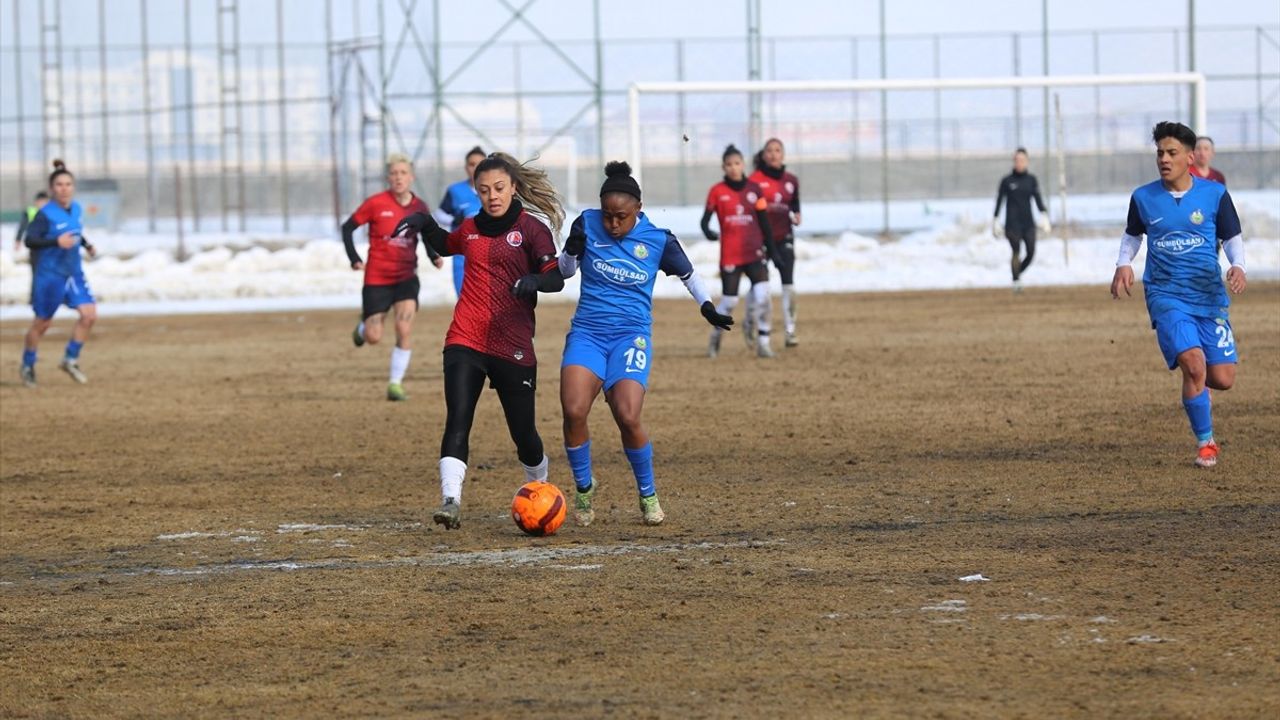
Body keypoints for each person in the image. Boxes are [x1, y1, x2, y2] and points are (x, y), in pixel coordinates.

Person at [392, 152, 566, 529]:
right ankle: (450, 500)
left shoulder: (532, 229)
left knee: (525, 436)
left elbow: (556, 277)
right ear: (477, 191)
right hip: (466, 337)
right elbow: (446, 240)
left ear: (513, 187)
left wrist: (536, 280)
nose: (493, 196)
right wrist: (423, 222)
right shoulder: (470, 227)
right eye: (484, 190)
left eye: (499, 188)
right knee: (457, 420)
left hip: (513, 343)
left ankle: (540, 487)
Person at [558, 161, 733, 527]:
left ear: (638, 209)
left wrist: (707, 306)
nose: (613, 224)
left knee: (627, 414)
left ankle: (648, 492)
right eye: (607, 216)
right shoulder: (586, 224)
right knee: (574, 410)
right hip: (588, 334)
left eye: (620, 216)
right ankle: (584, 487)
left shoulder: (658, 239)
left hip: (630, 337)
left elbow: (689, 274)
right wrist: (571, 251)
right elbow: (565, 272)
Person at [1110, 121, 1246, 468]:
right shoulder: (1144, 197)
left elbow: (1231, 236)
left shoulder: (1214, 194)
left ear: (1189, 157)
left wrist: (1238, 265)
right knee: (1194, 364)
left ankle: (1200, 385)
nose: (1164, 159)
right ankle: (1206, 443)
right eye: (1160, 153)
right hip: (1165, 294)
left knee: (1222, 378)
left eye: (1171, 153)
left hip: (1208, 295)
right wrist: (1123, 264)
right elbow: (1132, 235)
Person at [342, 153, 444, 402]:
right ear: (388, 178)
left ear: (411, 177)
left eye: (403, 173)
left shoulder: (419, 207)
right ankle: (364, 327)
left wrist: (433, 256)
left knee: (404, 327)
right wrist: (354, 258)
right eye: (394, 173)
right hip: (377, 277)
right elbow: (348, 227)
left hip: (406, 277)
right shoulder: (375, 203)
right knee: (374, 338)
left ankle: (395, 384)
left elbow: (426, 234)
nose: (398, 178)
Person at [20, 160, 98, 388]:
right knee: (43, 323)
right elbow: (30, 240)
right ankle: (27, 364)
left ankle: (70, 359)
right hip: (50, 275)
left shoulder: (76, 208)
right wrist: (55, 241)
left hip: (73, 271)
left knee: (89, 315)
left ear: (73, 187)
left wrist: (87, 245)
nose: (64, 188)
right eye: (60, 185)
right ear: (52, 189)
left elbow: (74, 231)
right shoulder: (45, 215)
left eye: (68, 184)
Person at [701, 144, 779, 359]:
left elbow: (765, 224)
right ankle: (716, 335)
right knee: (730, 301)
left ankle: (764, 341)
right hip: (731, 254)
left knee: (764, 295)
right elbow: (704, 221)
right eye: (728, 164)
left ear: (743, 164)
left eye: (737, 163)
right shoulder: (717, 191)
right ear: (723, 167)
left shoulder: (755, 190)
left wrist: (773, 252)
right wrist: (708, 231)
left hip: (754, 252)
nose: (733, 168)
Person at [749, 138, 802, 347]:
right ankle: (752, 323)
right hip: (760, 239)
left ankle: (790, 331)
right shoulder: (754, 180)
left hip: (784, 238)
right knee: (759, 286)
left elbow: (795, 205)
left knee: (788, 285)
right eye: (769, 150)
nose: (773, 154)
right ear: (763, 155)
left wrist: (797, 214)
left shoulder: (791, 181)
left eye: (777, 150)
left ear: (783, 154)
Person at [992, 148, 1051, 289]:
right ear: (1014, 161)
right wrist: (995, 219)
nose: (1019, 163)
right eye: (1017, 160)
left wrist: (1044, 214)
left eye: (1022, 160)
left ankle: (1016, 275)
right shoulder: (1006, 181)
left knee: (1031, 253)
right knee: (1016, 251)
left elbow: (1037, 198)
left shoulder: (1031, 180)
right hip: (1012, 224)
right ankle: (1017, 282)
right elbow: (1000, 201)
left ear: (1027, 161)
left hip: (1028, 223)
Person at [434, 145, 486, 297]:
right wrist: (455, 219)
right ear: (466, 167)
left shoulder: (494, 190)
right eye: (471, 164)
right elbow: (439, 214)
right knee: (465, 300)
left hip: (489, 255)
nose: (475, 168)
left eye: (480, 163)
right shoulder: (455, 190)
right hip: (462, 256)